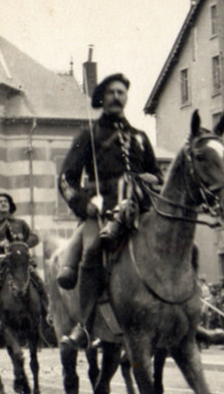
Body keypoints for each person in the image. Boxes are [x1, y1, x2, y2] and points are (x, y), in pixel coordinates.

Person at [55, 73, 164, 351]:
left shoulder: (139, 137)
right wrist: (85, 204)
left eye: (122, 92)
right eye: (112, 92)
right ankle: (86, 325)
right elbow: (67, 180)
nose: (117, 97)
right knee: (93, 250)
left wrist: (152, 180)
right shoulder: (88, 137)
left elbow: (156, 174)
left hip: (140, 208)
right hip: (101, 209)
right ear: (102, 98)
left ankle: (185, 316)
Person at [0, 192, 47, 328]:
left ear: (10, 205)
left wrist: (22, 244)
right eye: (0, 202)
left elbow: (34, 237)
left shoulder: (20, 223)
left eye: (6, 201)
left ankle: (47, 313)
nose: (3, 203)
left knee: (38, 281)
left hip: (20, 261)